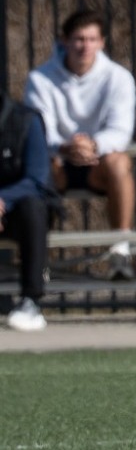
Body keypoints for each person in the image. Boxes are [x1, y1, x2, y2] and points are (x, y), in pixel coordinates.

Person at [24, 9, 136, 278]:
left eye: (91, 39)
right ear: (63, 40)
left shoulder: (118, 77)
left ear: (102, 42)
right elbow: (40, 132)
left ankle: (120, 250)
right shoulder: (39, 79)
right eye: (78, 39)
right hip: (58, 164)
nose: (84, 46)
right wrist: (67, 148)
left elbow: (121, 131)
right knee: (40, 166)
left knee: (120, 161)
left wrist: (91, 145)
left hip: (100, 163)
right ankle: (39, 260)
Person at [0, 86, 54, 331]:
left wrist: (2, 200)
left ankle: (31, 301)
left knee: (33, 208)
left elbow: (36, 179)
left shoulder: (25, 120)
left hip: (16, 213)